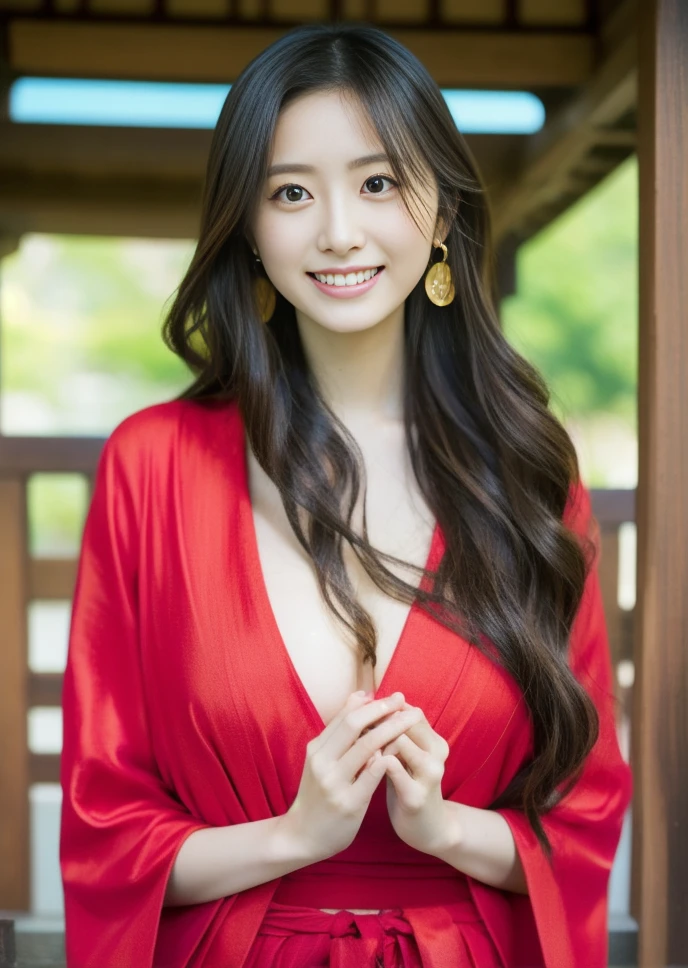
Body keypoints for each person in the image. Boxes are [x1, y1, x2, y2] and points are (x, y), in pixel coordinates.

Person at [59, 21, 633, 968]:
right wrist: (294, 836)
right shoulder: (151, 467)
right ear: (246, 227)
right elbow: (101, 826)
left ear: (442, 212)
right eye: (291, 192)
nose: (337, 231)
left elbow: (583, 813)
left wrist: (441, 827)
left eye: (377, 183)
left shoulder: (531, 474)